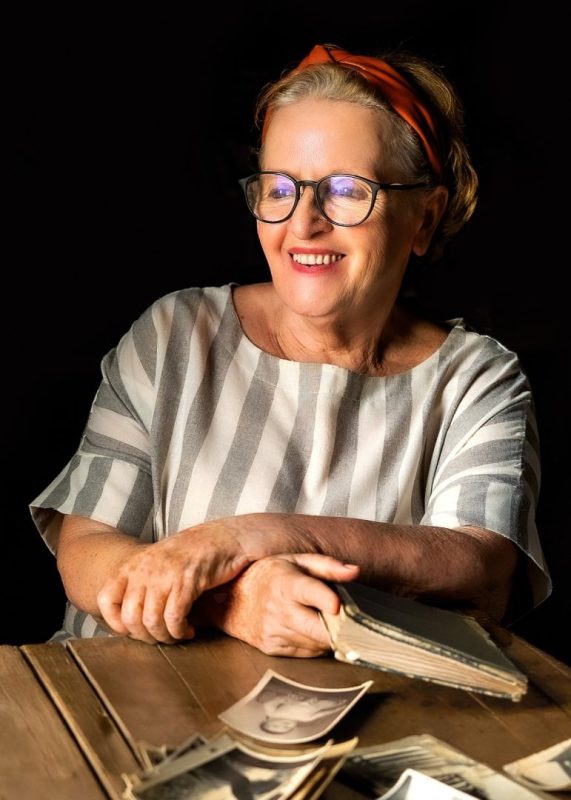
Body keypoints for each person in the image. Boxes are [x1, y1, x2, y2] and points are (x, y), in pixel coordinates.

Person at [30, 43, 550, 655]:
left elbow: (478, 563)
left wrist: (254, 537)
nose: (303, 223)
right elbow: (86, 550)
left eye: (347, 190)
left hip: (357, 708)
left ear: (425, 218)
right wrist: (236, 603)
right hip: (112, 694)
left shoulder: (476, 379)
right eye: (279, 189)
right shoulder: (175, 335)